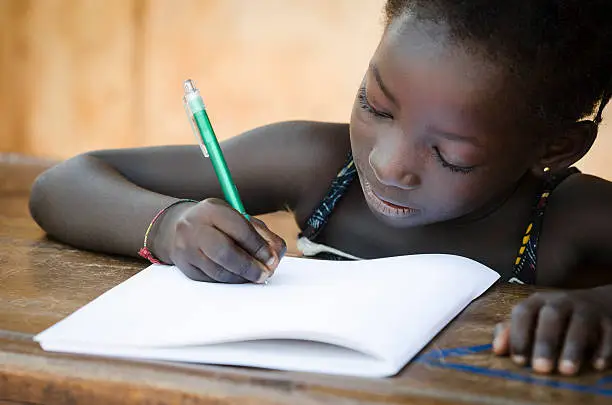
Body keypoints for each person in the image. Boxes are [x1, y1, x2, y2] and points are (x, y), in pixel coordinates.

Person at [29, 0, 611, 376]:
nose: (387, 164)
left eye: (449, 155)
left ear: (554, 149)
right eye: (374, 105)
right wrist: (171, 224)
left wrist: (599, 308)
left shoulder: (564, 218)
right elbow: (64, 184)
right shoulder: (315, 163)